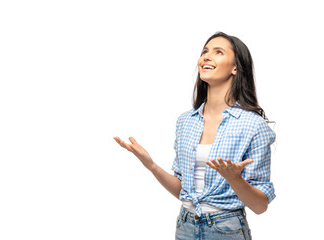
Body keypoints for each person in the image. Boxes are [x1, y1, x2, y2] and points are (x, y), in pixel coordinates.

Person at [113, 32, 275, 240]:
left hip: (227, 229)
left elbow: (260, 206)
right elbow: (183, 190)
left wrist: (235, 179)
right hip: (185, 226)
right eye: (204, 52)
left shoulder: (253, 125)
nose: (206, 56)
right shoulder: (186, 121)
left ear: (235, 67)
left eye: (218, 52)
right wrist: (150, 165)